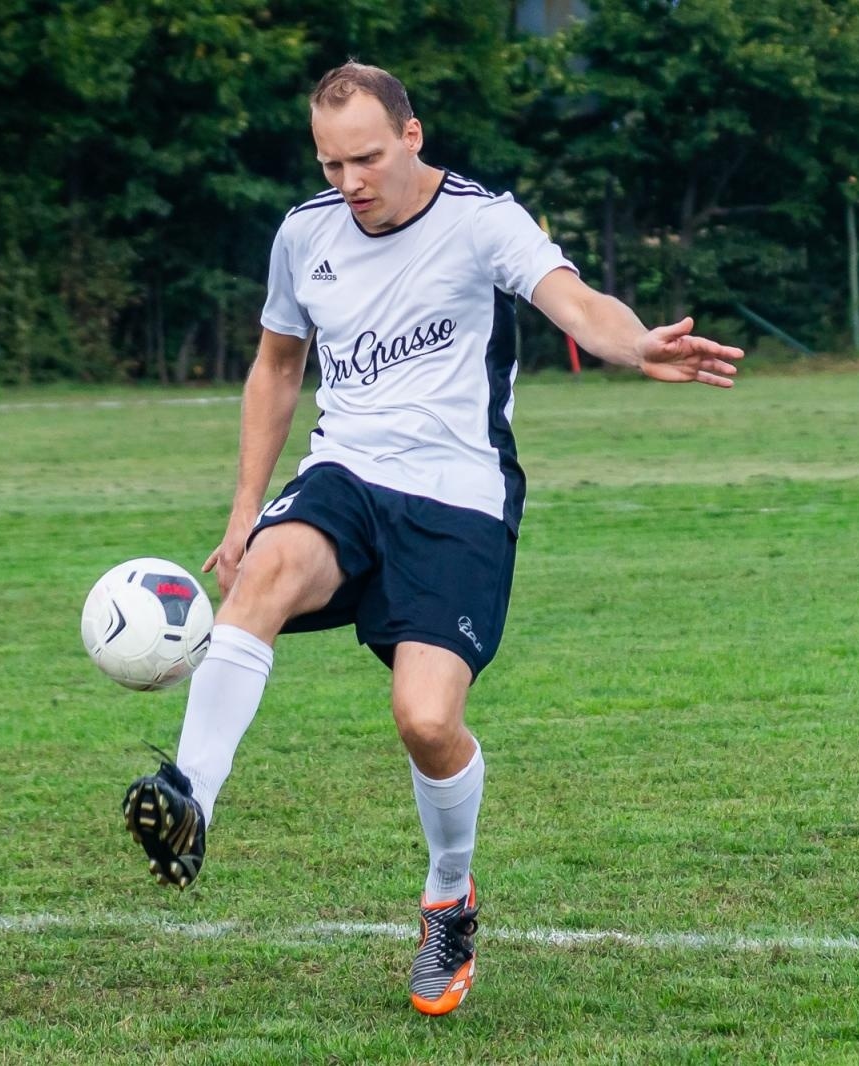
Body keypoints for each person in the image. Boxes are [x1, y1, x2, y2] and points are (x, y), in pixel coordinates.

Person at [122, 61, 743, 1016]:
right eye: (330, 163)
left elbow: (572, 301)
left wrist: (635, 344)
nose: (349, 181)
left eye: (365, 158)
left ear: (412, 137)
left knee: (426, 719)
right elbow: (277, 367)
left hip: (458, 498)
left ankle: (450, 894)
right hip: (346, 475)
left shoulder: (482, 219)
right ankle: (192, 794)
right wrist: (247, 509)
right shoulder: (305, 234)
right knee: (268, 571)